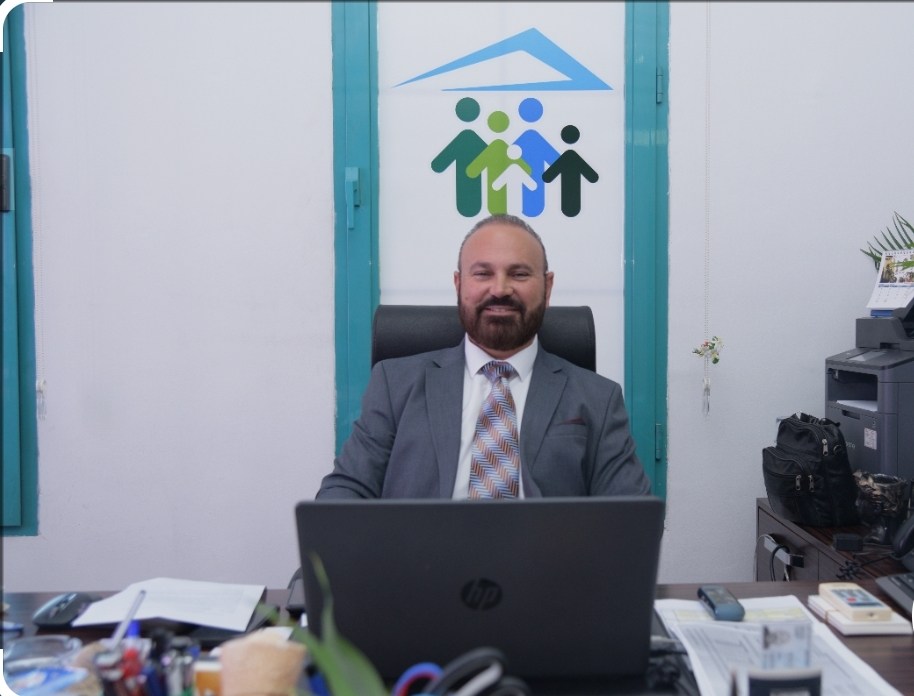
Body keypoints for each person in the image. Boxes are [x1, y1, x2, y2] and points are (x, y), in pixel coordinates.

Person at [316, 214, 651, 499]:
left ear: (547, 288)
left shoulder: (598, 399)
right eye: (482, 273)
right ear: (459, 284)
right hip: (422, 555)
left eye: (519, 274)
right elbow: (344, 493)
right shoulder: (395, 385)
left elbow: (630, 517)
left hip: (547, 557)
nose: (500, 289)